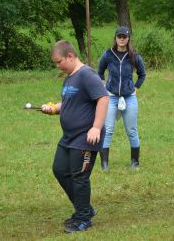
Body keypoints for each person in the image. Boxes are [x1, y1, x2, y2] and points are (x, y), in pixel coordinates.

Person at [41, 40, 109, 233]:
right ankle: (84, 208)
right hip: (69, 137)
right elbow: (68, 102)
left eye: (59, 61)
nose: (57, 66)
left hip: (85, 137)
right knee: (60, 169)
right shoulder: (70, 77)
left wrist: (96, 127)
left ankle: (83, 218)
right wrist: (54, 108)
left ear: (70, 56)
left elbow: (103, 98)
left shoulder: (87, 75)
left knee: (79, 177)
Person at [98, 26, 146, 171]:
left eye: (124, 37)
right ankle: (104, 164)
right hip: (111, 97)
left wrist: (135, 87)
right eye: (119, 37)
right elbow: (100, 72)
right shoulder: (108, 54)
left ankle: (135, 162)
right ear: (116, 38)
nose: (122, 39)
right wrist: (103, 87)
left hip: (129, 98)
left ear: (128, 38)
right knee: (108, 129)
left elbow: (142, 74)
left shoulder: (134, 56)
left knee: (131, 130)